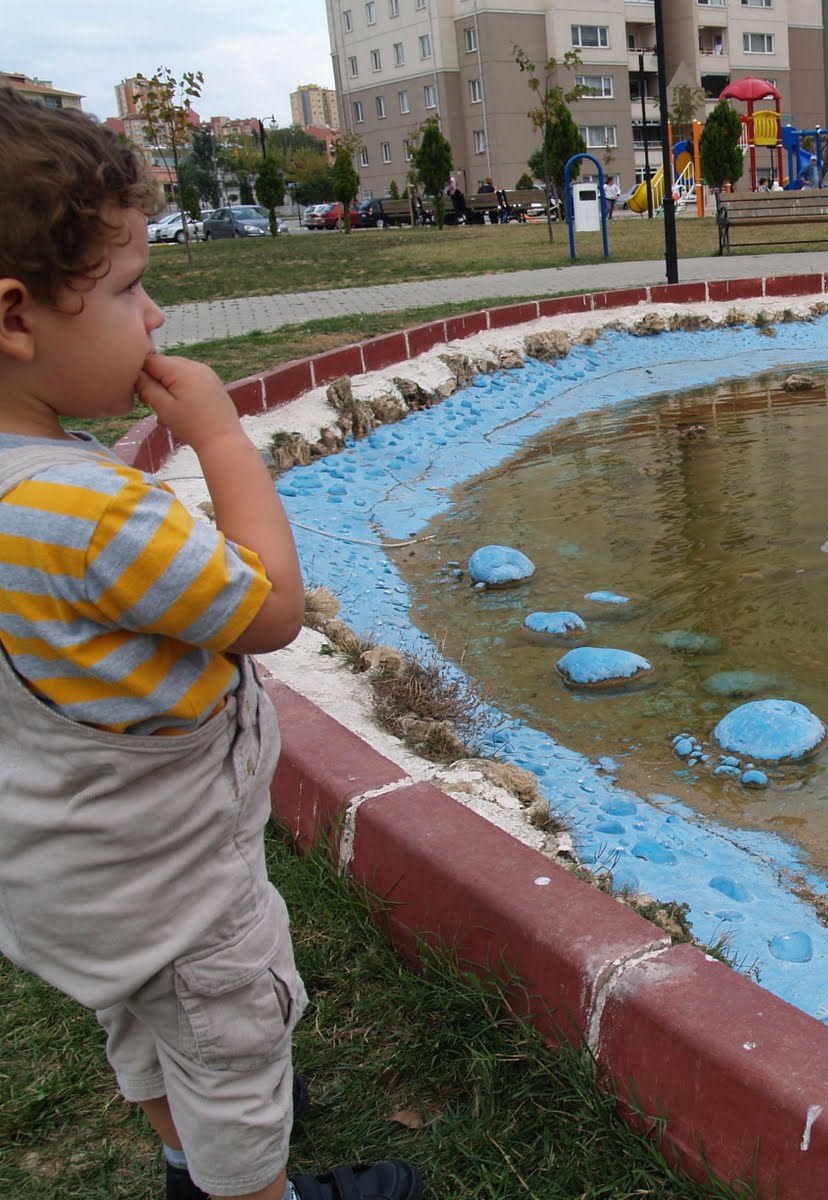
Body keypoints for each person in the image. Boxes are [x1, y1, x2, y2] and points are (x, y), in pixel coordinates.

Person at [0, 90, 422, 1200]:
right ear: (15, 315)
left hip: (63, 879)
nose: (155, 321)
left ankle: (184, 1156)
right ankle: (245, 1189)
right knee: (234, 1057)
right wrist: (222, 438)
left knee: (139, 1024)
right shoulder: (94, 513)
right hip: (177, 885)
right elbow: (270, 610)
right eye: (133, 288)